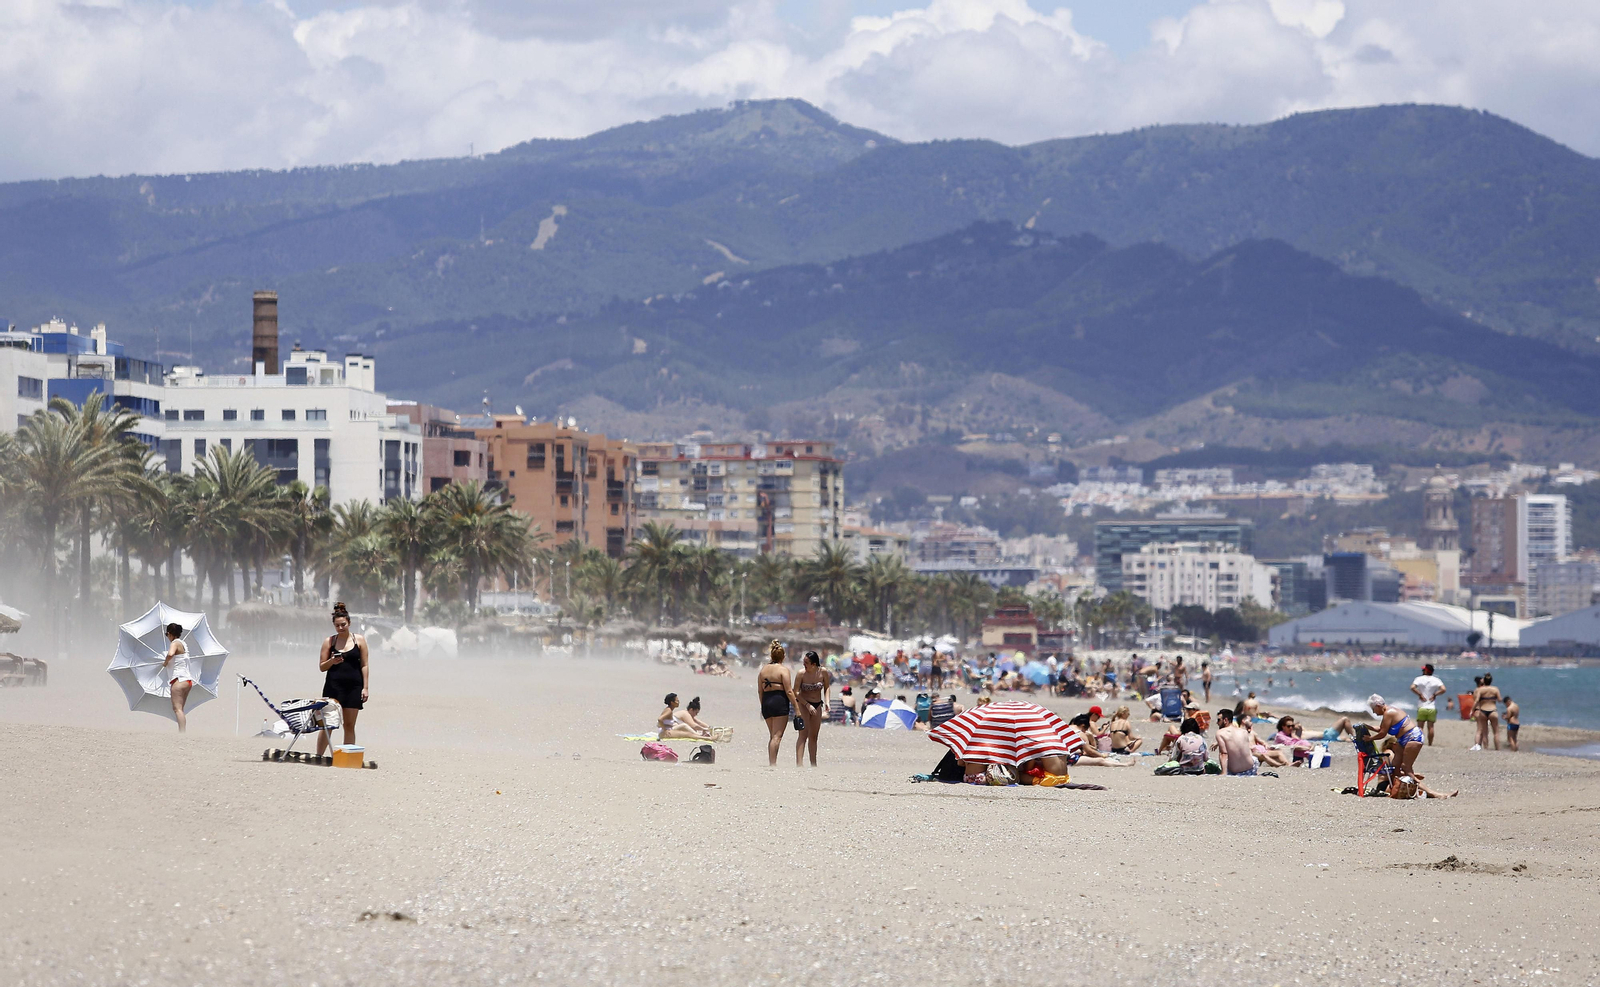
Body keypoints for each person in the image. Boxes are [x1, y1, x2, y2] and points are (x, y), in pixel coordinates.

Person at [316, 602, 369, 758]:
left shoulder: (359, 640)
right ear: (334, 626)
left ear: (349, 623)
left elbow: (365, 665)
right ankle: (319, 755)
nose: (340, 628)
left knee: (349, 725)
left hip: (354, 687)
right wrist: (332, 661)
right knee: (328, 724)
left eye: (343, 624)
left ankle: (347, 758)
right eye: (337, 625)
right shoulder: (329, 642)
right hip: (333, 687)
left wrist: (365, 687)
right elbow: (322, 667)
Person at [757, 641, 800, 766]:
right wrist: (797, 708)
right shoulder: (783, 670)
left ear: (771, 655)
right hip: (779, 701)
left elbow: (760, 691)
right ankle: (773, 764)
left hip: (766, 701)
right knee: (777, 736)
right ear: (783, 656)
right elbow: (789, 691)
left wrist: (763, 705)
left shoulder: (763, 670)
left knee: (772, 736)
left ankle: (772, 762)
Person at [1368, 694, 1425, 780]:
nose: (1373, 712)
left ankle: (1418, 785)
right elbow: (1381, 729)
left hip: (1413, 737)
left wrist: (1370, 739)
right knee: (1395, 767)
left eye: (1373, 709)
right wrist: (1368, 727)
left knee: (1406, 767)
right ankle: (1404, 784)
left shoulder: (1389, 712)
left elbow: (1383, 734)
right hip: (1402, 739)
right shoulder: (1388, 713)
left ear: (1378, 706)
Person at [793, 651, 832, 767]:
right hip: (804, 704)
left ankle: (813, 764)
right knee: (803, 734)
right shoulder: (801, 674)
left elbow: (827, 687)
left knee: (814, 736)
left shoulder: (823, 672)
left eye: (806, 662)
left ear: (814, 664)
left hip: (817, 704)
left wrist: (827, 701)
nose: (804, 664)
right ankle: (799, 764)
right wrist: (807, 705)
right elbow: (796, 692)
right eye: (804, 662)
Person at [161, 622, 193, 733]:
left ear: (170, 633)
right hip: (187, 680)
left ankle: (182, 733)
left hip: (178, 680)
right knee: (180, 709)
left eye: (167, 634)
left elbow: (170, 654)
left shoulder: (174, 643)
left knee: (177, 709)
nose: (167, 637)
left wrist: (165, 663)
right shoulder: (183, 644)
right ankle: (182, 731)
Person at [1410, 663, 1447, 746]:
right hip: (1431, 707)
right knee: (1431, 727)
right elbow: (1443, 689)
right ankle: (1430, 744)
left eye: (1423, 669)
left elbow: (1412, 687)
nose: (1422, 671)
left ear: (1426, 671)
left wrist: (1420, 694)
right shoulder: (1436, 680)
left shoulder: (1419, 679)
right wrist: (1435, 694)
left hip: (1422, 706)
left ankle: (1420, 742)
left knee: (1420, 727)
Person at [1215, 709, 1257, 776]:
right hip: (1251, 769)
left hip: (1236, 771)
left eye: (1219, 720)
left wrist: (1224, 772)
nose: (1217, 723)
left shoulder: (1220, 733)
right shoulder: (1243, 732)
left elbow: (1223, 754)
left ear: (1225, 720)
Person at [1472, 674, 1502, 751]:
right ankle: (1497, 749)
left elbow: (1476, 700)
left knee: (1485, 732)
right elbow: (1499, 700)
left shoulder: (1480, 690)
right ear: (1491, 681)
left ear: (1484, 681)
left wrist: (1472, 710)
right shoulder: (1495, 689)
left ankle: (1486, 748)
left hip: (1483, 711)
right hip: (1493, 710)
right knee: (1496, 732)